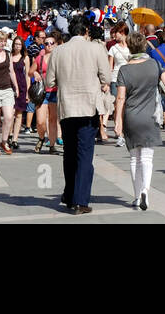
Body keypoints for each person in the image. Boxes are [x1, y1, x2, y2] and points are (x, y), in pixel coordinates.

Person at [45, 17, 112, 215]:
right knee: (84, 155)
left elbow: (49, 80)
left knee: (69, 152)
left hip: (67, 107)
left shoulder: (58, 51)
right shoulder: (96, 49)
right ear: (86, 32)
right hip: (88, 107)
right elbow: (106, 77)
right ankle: (80, 201)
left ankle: (69, 193)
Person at [114, 31, 165, 208]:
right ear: (144, 45)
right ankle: (146, 190)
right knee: (147, 158)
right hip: (151, 115)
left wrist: (117, 121)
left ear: (129, 46)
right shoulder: (154, 64)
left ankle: (137, 196)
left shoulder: (124, 69)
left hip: (131, 116)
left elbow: (120, 98)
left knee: (133, 159)